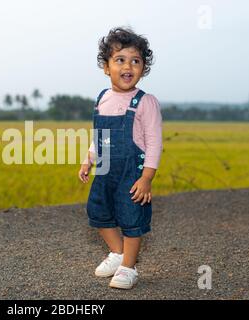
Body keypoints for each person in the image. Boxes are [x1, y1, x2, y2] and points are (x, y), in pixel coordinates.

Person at [78, 27, 163, 289]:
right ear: (106, 67)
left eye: (136, 61)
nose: (128, 66)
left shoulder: (145, 102)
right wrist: (89, 158)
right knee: (98, 211)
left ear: (143, 68)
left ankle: (129, 267)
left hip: (132, 174)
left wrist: (147, 177)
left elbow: (154, 143)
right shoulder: (102, 98)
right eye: (120, 60)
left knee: (131, 218)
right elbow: (100, 136)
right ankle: (118, 254)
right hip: (104, 170)